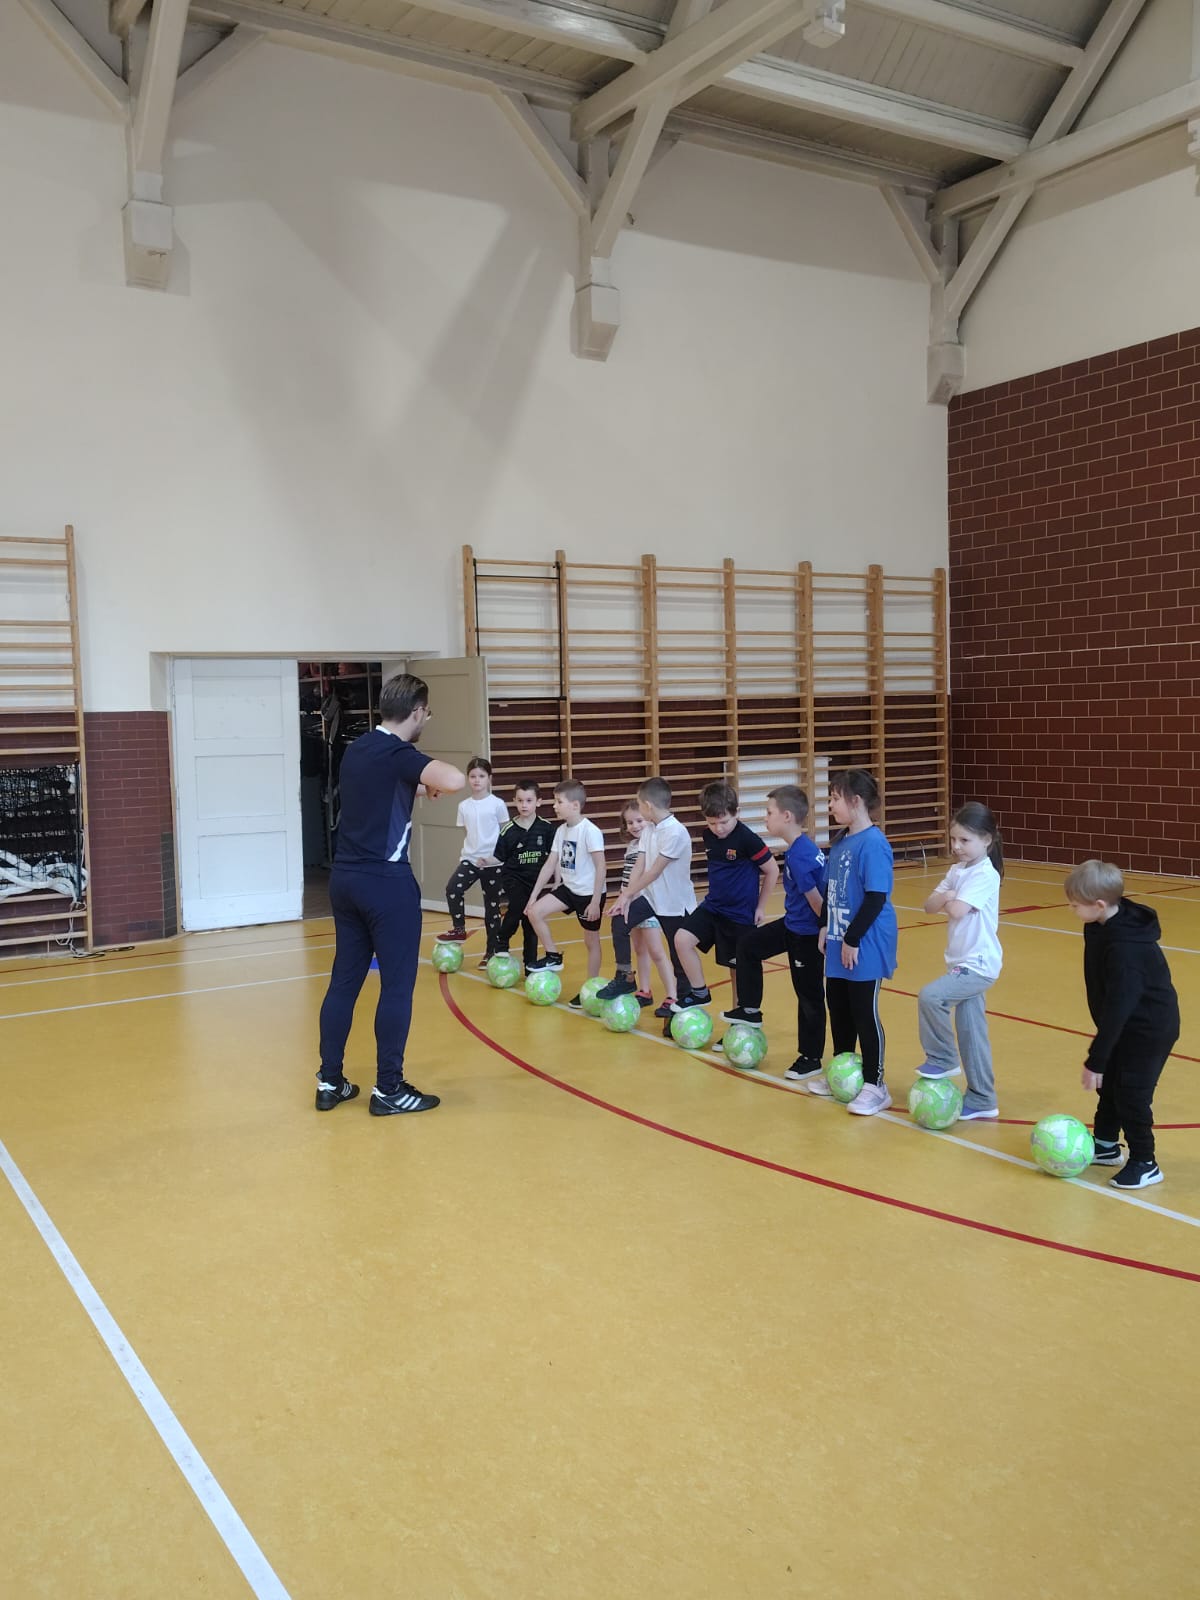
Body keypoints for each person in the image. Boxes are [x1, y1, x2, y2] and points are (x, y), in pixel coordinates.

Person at [315, 673, 464, 1116]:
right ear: (416, 711)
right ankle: (389, 1089)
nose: (426, 720)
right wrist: (428, 777)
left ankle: (330, 1081)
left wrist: (417, 785)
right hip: (386, 884)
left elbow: (379, 786)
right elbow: (455, 779)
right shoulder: (401, 753)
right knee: (397, 987)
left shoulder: (359, 748)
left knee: (344, 982)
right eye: (427, 713)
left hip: (346, 881)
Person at [1064, 859, 1180, 1189]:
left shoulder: (1126, 948)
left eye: (1075, 904)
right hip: (1123, 1022)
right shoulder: (1100, 923)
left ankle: (1145, 1162)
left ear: (1100, 904)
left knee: (1132, 1094)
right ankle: (1105, 1145)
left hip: (1148, 1028)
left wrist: (1096, 1058)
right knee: (1110, 1084)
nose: (1071, 909)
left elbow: (1120, 1005)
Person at [717, 786, 825, 1081]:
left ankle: (811, 1057)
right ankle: (750, 1009)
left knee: (809, 996)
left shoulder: (801, 856)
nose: (765, 817)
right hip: (792, 925)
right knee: (748, 945)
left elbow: (818, 902)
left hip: (807, 935)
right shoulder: (798, 850)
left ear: (787, 816)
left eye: (769, 812)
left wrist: (825, 931)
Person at [806, 768, 898, 1117]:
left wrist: (852, 938)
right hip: (838, 937)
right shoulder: (841, 840)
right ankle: (842, 1072)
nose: (830, 805)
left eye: (835, 798)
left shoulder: (874, 844)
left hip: (865, 940)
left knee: (863, 1011)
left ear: (856, 801)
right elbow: (831, 889)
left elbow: (876, 897)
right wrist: (824, 926)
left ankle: (876, 1084)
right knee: (839, 1008)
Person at [917, 803, 1004, 1120]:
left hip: (978, 965)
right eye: (953, 839)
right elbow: (929, 905)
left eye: (965, 840)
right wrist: (949, 895)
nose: (956, 846)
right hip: (959, 962)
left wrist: (950, 898)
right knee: (971, 1032)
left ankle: (943, 1057)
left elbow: (955, 911)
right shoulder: (957, 871)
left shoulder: (985, 874)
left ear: (986, 840)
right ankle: (983, 1098)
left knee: (931, 996)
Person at [671, 779, 779, 1014]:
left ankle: (739, 1018)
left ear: (736, 813)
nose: (718, 828)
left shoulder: (747, 839)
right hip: (713, 908)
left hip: (740, 915)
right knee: (682, 939)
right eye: (712, 823)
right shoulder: (708, 836)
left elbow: (772, 870)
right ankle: (700, 992)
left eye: (724, 822)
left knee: (738, 971)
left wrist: (760, 907)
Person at [607, 776, 696, 1020]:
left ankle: (681, 1005)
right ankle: (625, 976)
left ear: (647, 805)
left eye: (639, 804)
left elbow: (654, 871)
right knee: (620, 920)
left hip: (675, 905)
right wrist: (625, 897)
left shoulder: (675, 832)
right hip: (651, 898)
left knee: (678, 958)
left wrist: (628, 893)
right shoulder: (650, 829)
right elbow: (640, 863)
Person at [525, 779, 607, 1006]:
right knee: (534, 912)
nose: (554, 806)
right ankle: (553, 956)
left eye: (559, 801)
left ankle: (590, 988)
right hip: (568, 888)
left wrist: (595, 901)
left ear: (575, 805)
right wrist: (533, 896)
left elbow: (601, 866)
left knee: (591, 941)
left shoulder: (590, 831)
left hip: (587, 894)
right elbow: (549, 864)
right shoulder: (561, 831)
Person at [596, 799, 677, 1009]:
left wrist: (632, 897)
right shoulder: (632, 846)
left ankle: (672, 995)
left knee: (657, 952)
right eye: (630, 823)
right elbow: (629, 876)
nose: (635, 826)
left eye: (639, 820)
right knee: (640, 950)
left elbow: (650, 875)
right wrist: (623, 898)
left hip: (647, 905)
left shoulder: (652, 845)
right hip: (630, 904)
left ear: (648, 819)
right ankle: (644, 990)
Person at [440, 756, 509, 966]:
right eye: (473, 776)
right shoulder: (464, 806)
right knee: (453, 888)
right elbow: (467, 833)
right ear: (468, 778)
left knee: (492, 908)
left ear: (489, 778)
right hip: (470, 860)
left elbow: (505, 834)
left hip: (493, 863)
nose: (477, 780)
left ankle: (491, 951)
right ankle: (459, 929)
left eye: (481, 776)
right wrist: (472, 854)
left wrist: (494, 857)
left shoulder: (497, 804)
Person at [492, 779, 556, 972]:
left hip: (535, 882)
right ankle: (501, 941)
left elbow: (555, 857)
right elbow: (499, 856)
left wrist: (558, 880)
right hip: (513, 878)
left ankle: (530, 964)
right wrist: (484, 861)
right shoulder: (508, 830)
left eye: (529, 800)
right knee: (518, 906)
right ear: (514, 801)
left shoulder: (546, 828)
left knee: (531, 920)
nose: (524, 805)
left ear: (538, 802)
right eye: (520, 801)